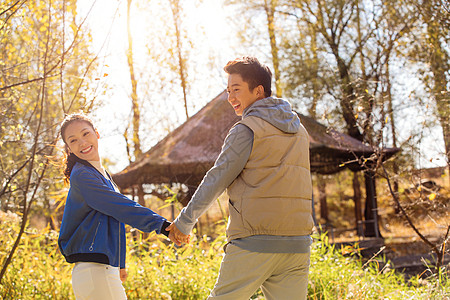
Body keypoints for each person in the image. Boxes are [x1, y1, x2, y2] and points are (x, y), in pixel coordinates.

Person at [167, 56, 313, 299]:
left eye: (236, 90)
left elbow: (217, 179)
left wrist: (184, 222)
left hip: (254, 243)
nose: (230, 98)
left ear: (258, 91)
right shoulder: (300, 131)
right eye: (228, 91)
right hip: (297, 244)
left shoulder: (247, 129)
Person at [58, 113, 172, 300]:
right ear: (69, 148)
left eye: (86, 134)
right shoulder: (82, 175)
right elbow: (120, 207)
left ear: (97, 133)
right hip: (94, 269)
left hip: (101, 269)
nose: (82, 143)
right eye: (73, 140)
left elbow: (115, 219)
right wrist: (162, 226)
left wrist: (120, 264)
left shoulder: (102, 175)